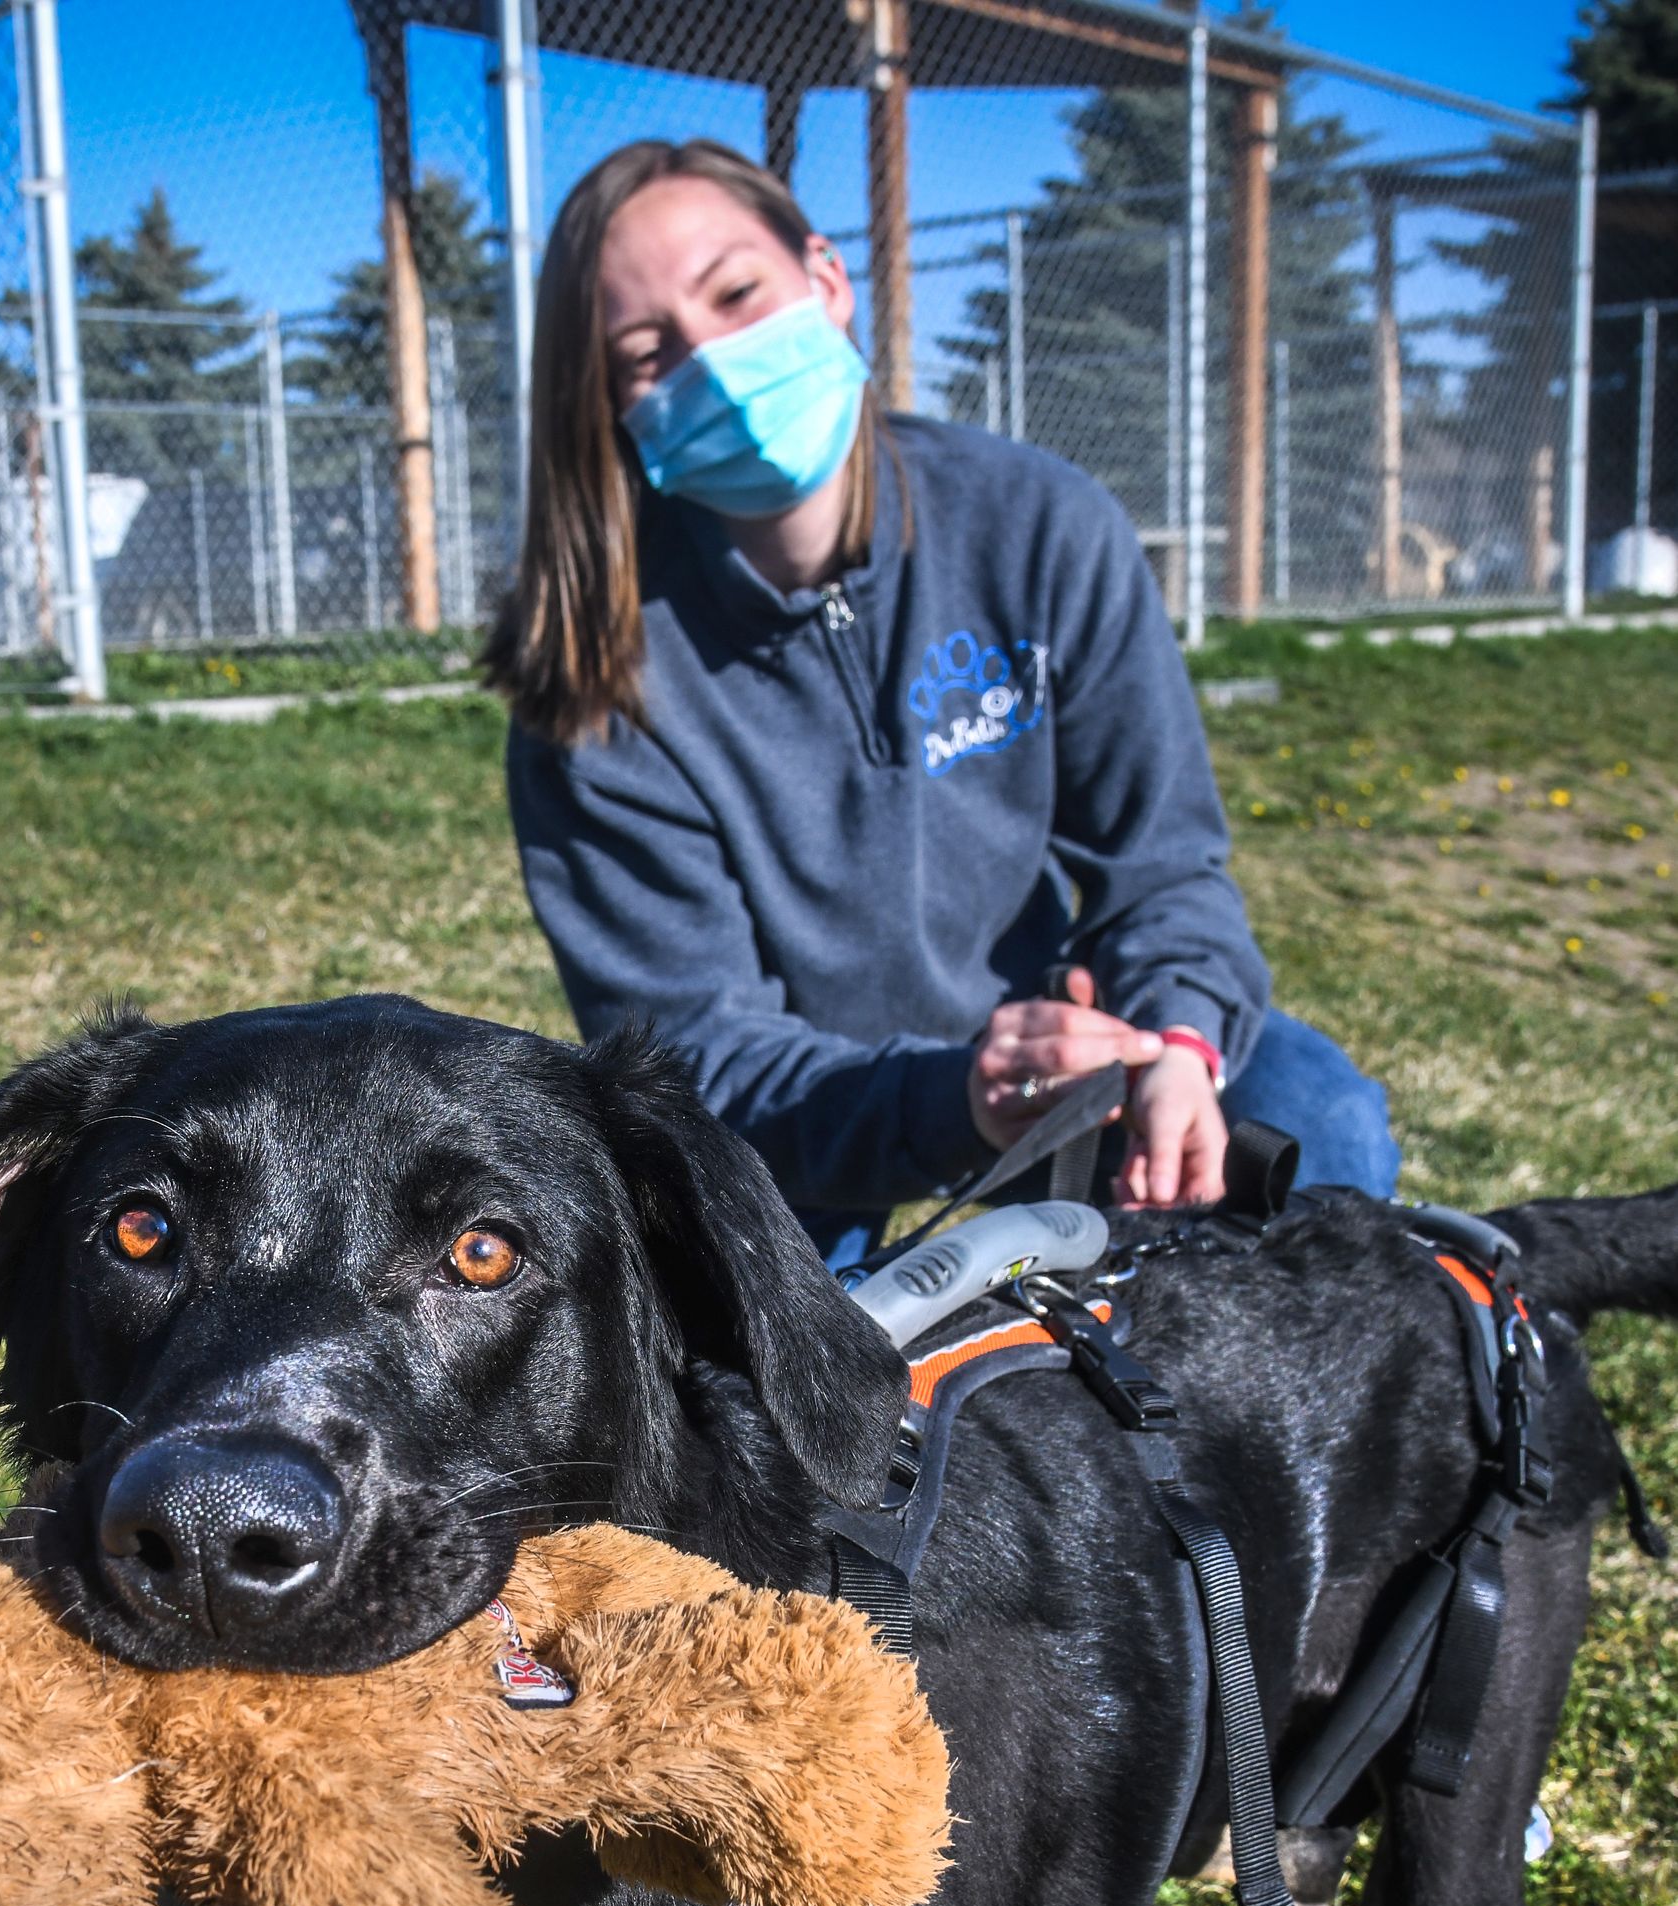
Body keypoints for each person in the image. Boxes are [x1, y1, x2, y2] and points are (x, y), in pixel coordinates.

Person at [486, 138, 1400, 1271]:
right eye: (647, 352)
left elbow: (1161, 869)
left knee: (1322, 1119)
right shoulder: (593, 678)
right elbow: (699, 1063)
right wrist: (948, 1098)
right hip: (798, 1129)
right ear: (609, 407)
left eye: (736, 295)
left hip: (1072, 1052)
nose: (714, 365)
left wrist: (1173, 1043)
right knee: (773, 1385)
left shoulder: (1039, 524)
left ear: (826, 280)